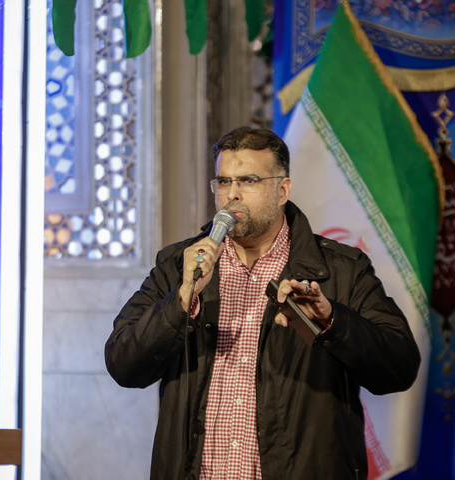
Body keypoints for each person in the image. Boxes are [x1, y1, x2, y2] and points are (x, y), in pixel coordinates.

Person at [104, 127, 420, 480]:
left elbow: (399, 367)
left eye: (248, 181)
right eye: (223, 182)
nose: (232, 196)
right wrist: (182, 299)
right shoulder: (180, 264)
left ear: (282, 190)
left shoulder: (341, 271)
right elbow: (123, 363)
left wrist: (332, 323)